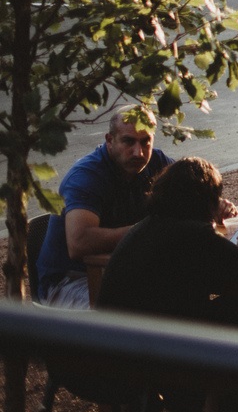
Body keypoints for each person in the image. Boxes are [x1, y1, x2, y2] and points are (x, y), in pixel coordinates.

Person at [98, 158, 238, 412]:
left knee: (214, 313)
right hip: (159, 357)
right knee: (230, 311)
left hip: (111, 351)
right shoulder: (193, 235)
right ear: (206, 199)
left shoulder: (144, 229)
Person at [37, 104, 172, 307]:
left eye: (146, 142)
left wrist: (213, 203)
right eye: (128, 141)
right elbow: (79, 242)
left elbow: (192, 186)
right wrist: (145, 230)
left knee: (182, 294)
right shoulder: (86, 176)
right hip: (70, 282)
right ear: (110, 140)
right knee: (136, 311)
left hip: (119, 274)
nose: (139, 152)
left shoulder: (155, 162)